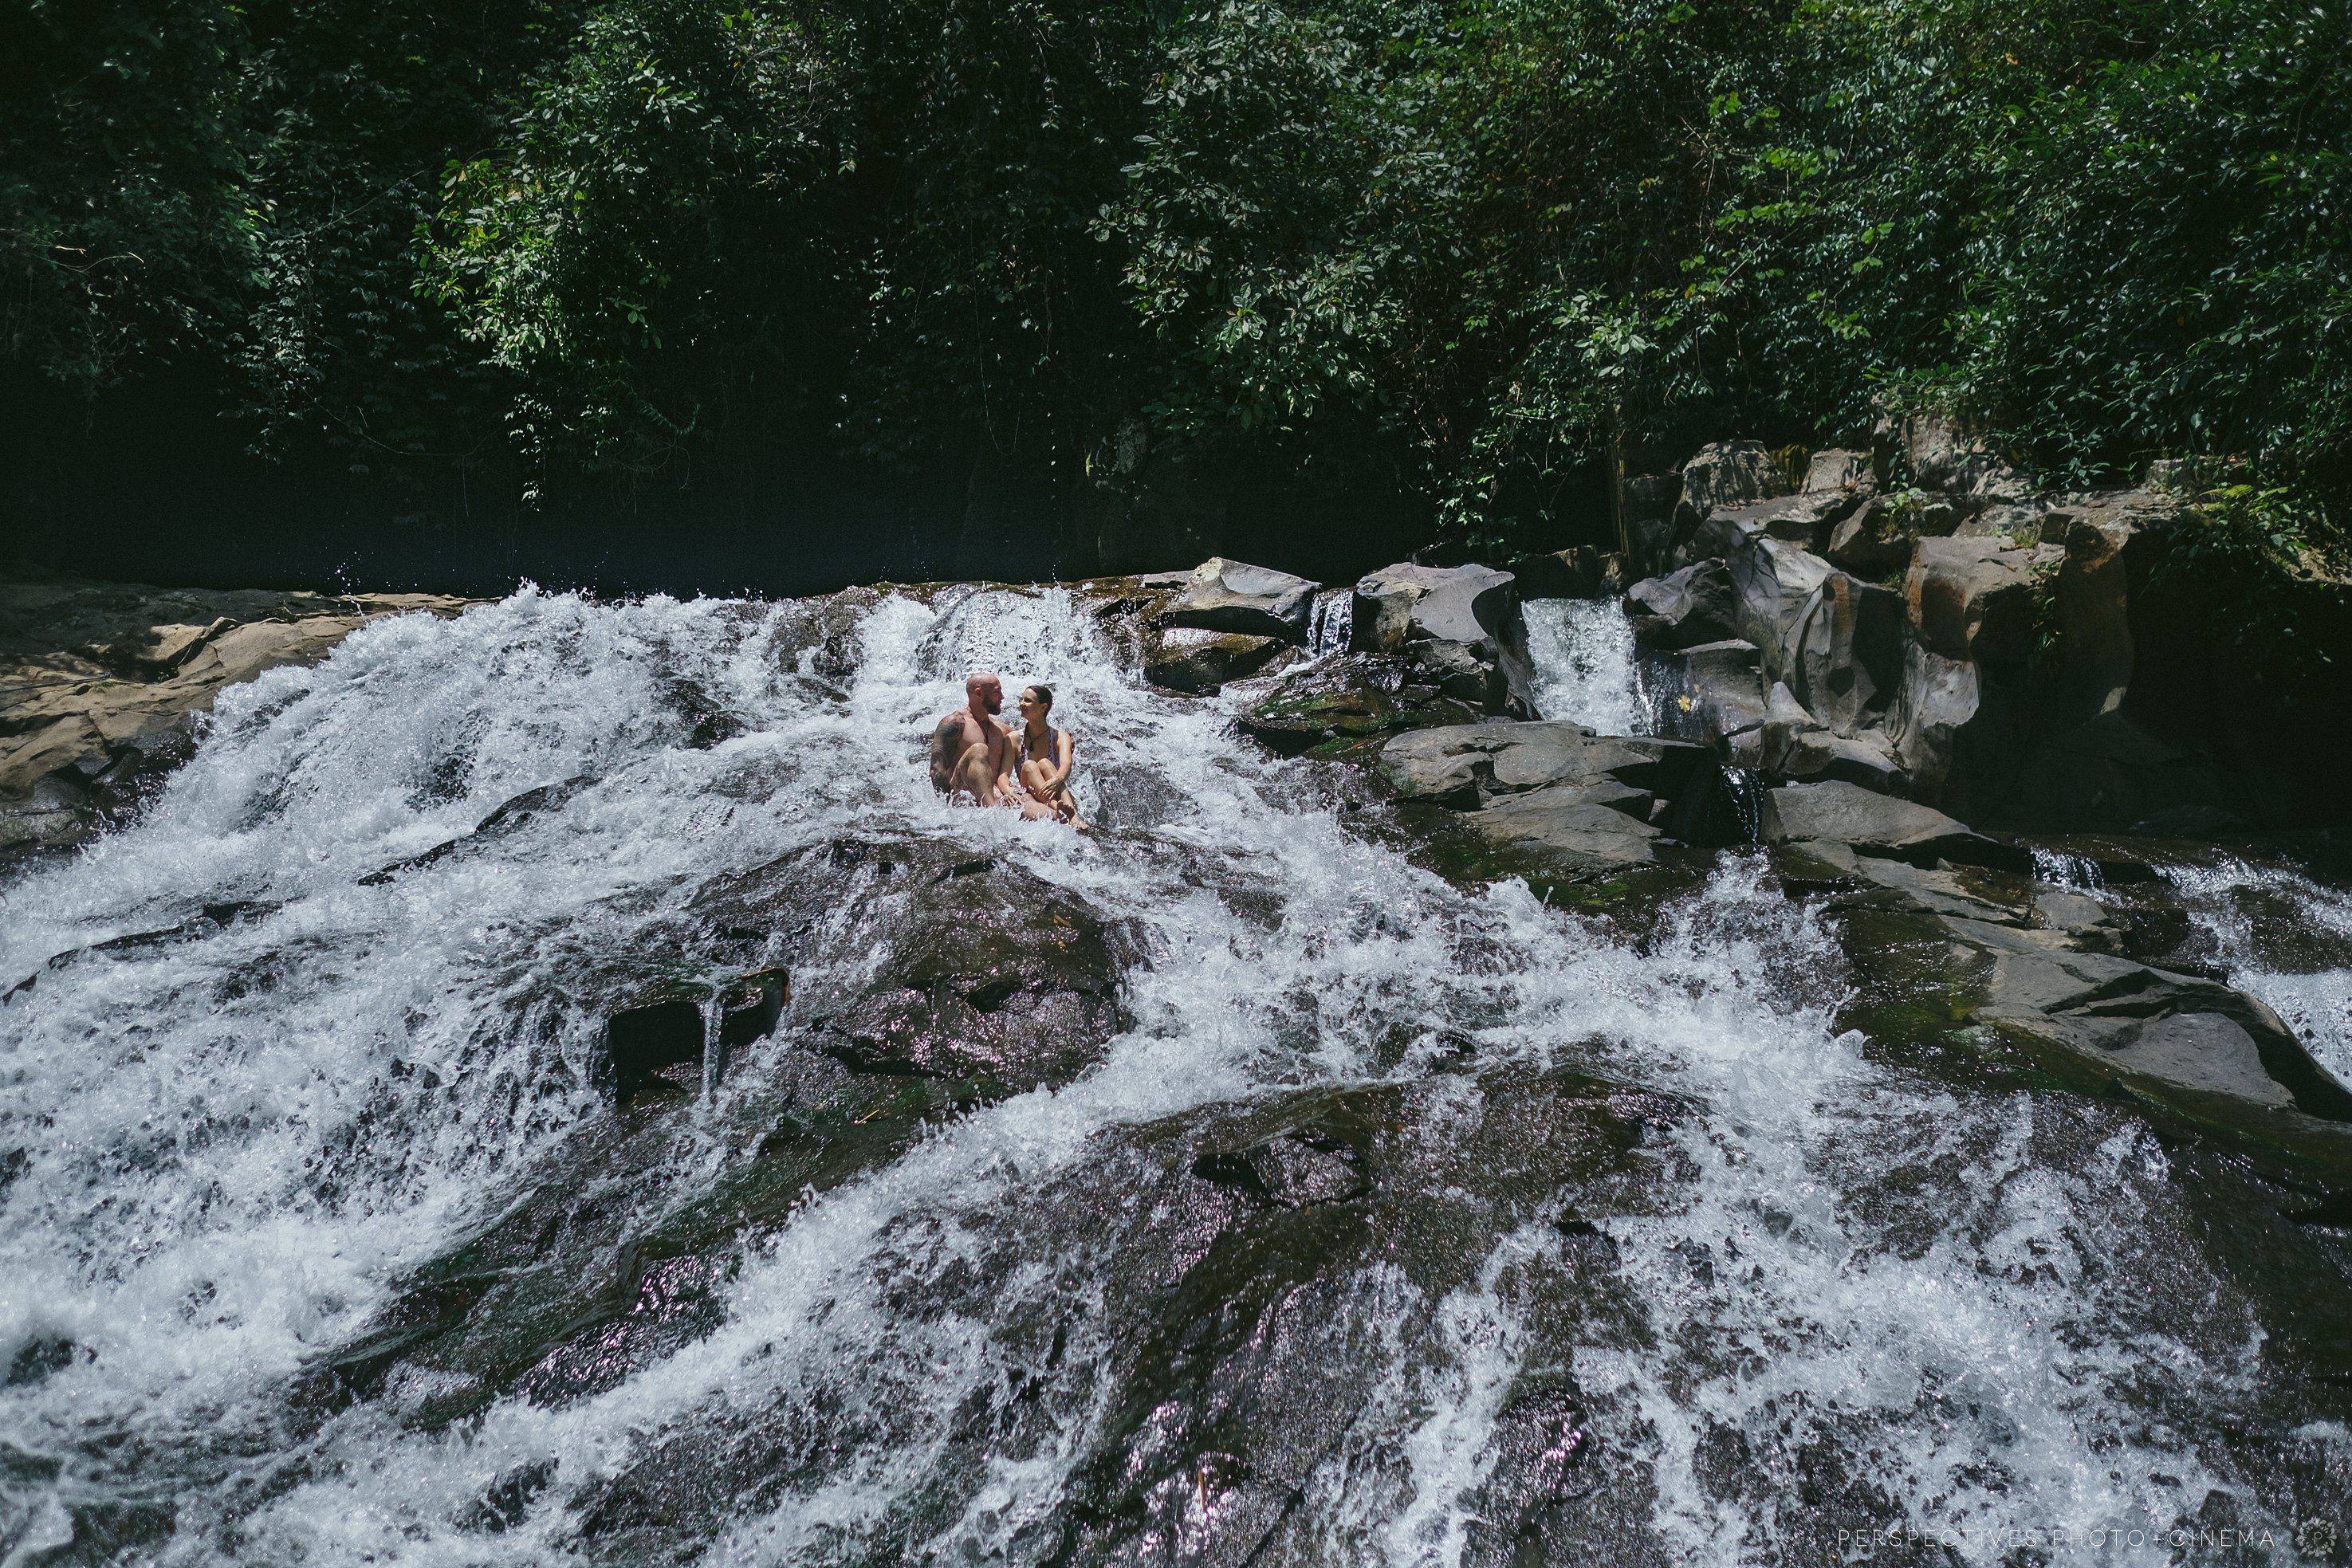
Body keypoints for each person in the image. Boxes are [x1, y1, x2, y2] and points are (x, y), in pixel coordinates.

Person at [929, 671, 1017, 805]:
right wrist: (946, 808)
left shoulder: (1002, 730)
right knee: (978, 750)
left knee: (1028, 803)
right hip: (962, 796)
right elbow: (936, 770)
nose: (1002, 697)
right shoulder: (955, 723)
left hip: (996, 793)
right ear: (979, 693)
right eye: (997, 692)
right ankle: (992, 812)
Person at [1011, 683, 1087, 829]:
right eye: (1021, 699)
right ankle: (1066, 813)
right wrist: (1008, 790)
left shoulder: (1061, 736)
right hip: (1032, 793)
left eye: (1027, 700)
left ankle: (1070, 813)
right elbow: (1004, 774)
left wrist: (1057, 779)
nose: (1021, 704)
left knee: (1045, 763)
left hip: (1058, 794)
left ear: (1043, 707)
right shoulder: (1014, 738)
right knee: (1029, 765)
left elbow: (1066, 764)